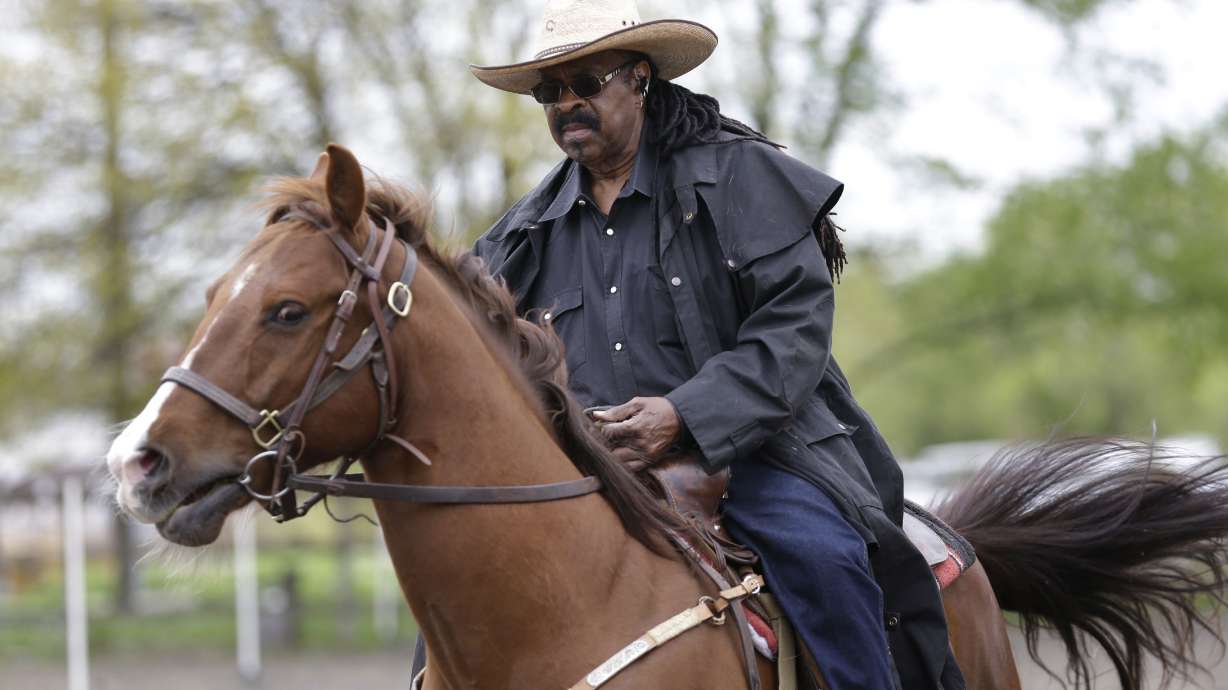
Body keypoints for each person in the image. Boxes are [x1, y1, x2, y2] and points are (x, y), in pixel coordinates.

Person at [420, 1, 964, 688]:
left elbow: (794, 327)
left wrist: (684, 415)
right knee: (453, 611)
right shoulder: (518, 239)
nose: (566, 104)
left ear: (640, 80)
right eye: (550, 91)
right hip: (588, 475)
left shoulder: (740, 175)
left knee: (828, 564)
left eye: (585, 82)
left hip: (760, 454)